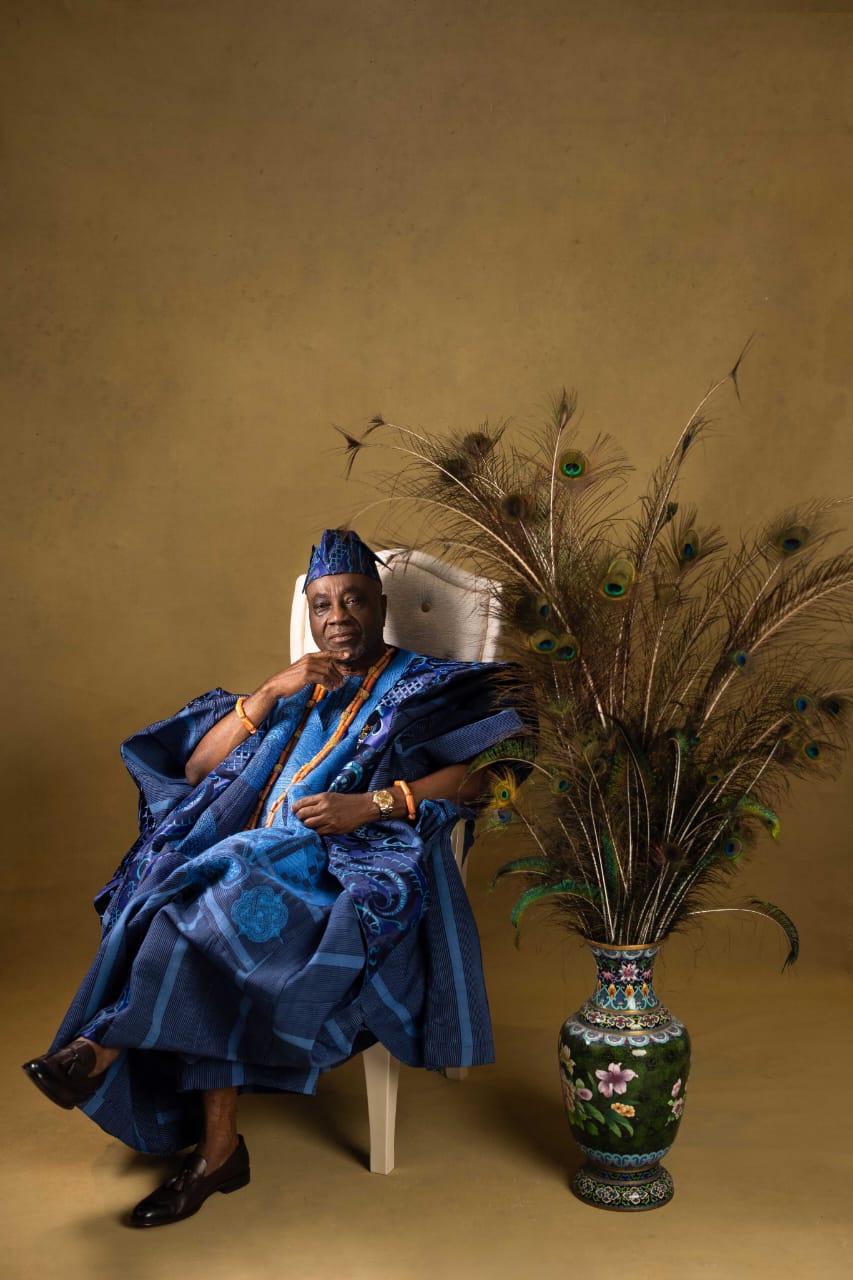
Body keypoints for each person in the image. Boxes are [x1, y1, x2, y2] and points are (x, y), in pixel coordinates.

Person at [23, 529, 526, 1227]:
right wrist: (268, 691)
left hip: (339, 871)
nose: (337, 617)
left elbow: (489, 773)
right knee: (188, 900)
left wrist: (372, 804)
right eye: (322, 605)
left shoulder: (425, 687)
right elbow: (197, 770)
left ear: (382, 606)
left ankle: (100, 1048)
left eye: (354, 600)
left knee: (194, 908)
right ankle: (215, 1147)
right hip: (241, 861)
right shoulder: (295, 687)